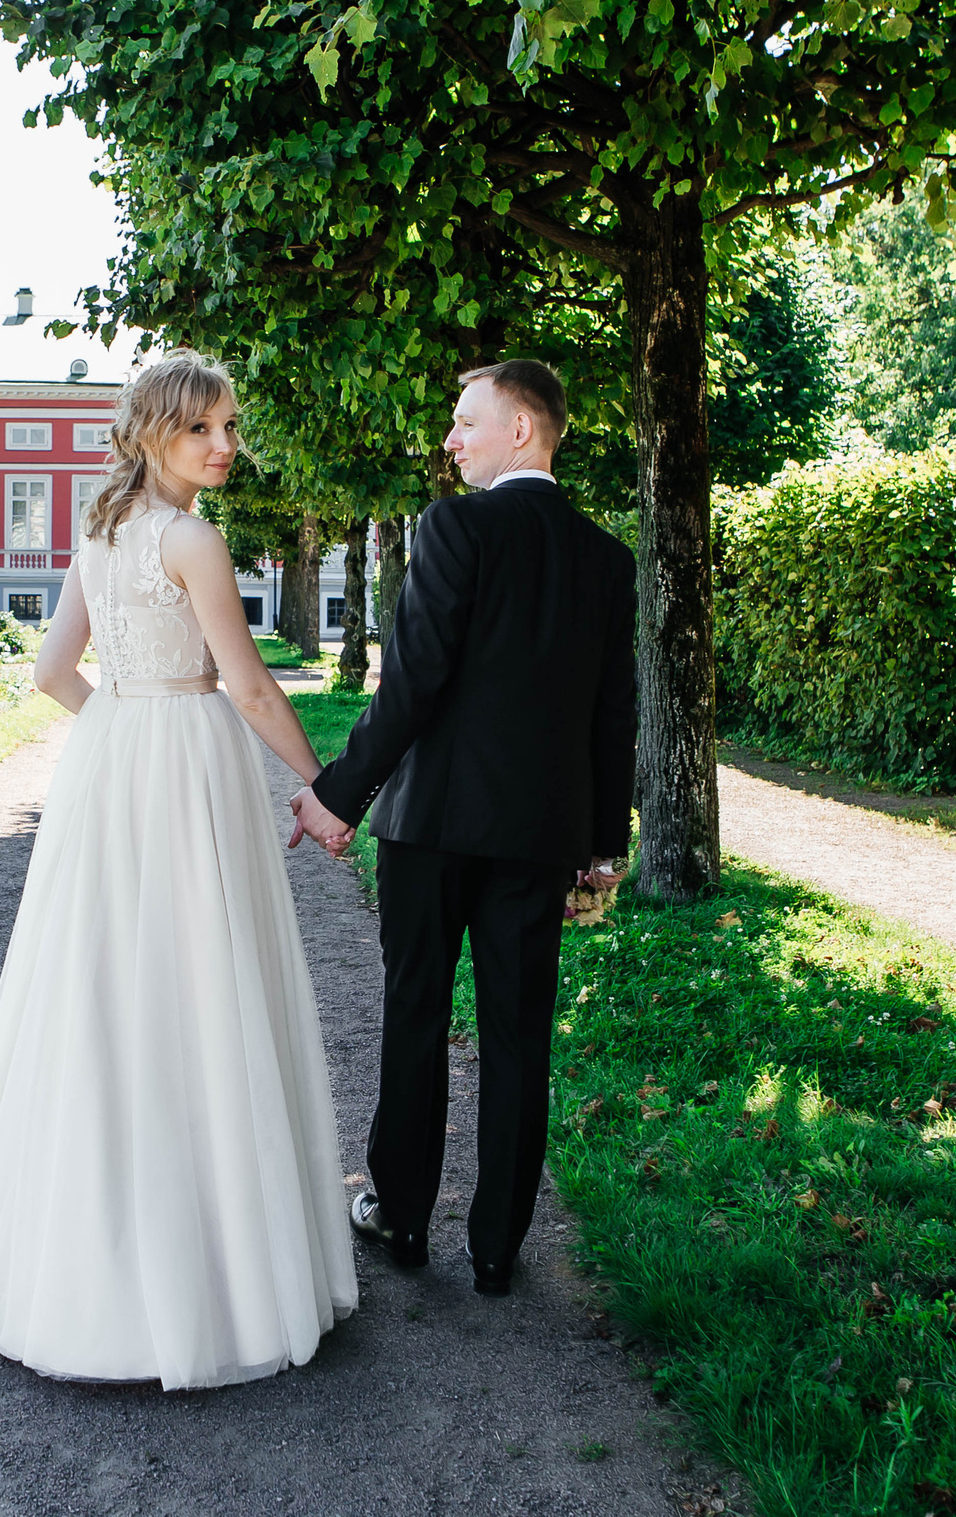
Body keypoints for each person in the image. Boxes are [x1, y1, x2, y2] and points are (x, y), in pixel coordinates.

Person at [0, 351, 357, 1389]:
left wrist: (124, 730)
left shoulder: (98, 530)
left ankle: (80, 1275)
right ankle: (220, 1271)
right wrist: (326, 786)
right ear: (152, 432)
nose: (225, 445)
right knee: (202, 981)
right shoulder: (190, 539)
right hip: (189, 767)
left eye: (229, 426)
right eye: (203, 428)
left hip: (113, 765)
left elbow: (52, 674)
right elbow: (249, 689)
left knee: (104, 988)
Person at [291, 359, 637, 1297]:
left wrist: (338, 793)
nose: (450, 440)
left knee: (416, 1011)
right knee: (519, 1032)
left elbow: (411, 684)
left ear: (520, 429)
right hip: (540, 836)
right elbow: (614, 713)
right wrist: (604, 842)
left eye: (465, 421)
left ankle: (402, 1216)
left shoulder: (454, 527)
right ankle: (497, 1246)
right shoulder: (607, 558)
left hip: (433, 826)